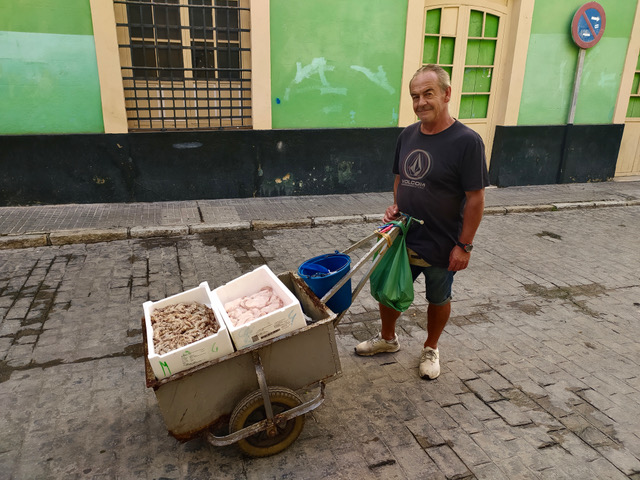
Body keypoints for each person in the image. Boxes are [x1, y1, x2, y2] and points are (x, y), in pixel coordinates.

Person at [355, 64, 490, 379]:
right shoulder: (407, 135)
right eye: (415, 96)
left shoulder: (467, 141)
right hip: (403, 236)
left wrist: (464, 245)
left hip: (443, 243)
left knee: (438, 297)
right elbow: (401, 177)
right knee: (389, 289)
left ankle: (431, 347)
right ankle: (388, 339)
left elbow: (476, 198)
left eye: (428, 94)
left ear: (446, 94)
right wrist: (396, 207)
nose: (420, 103)